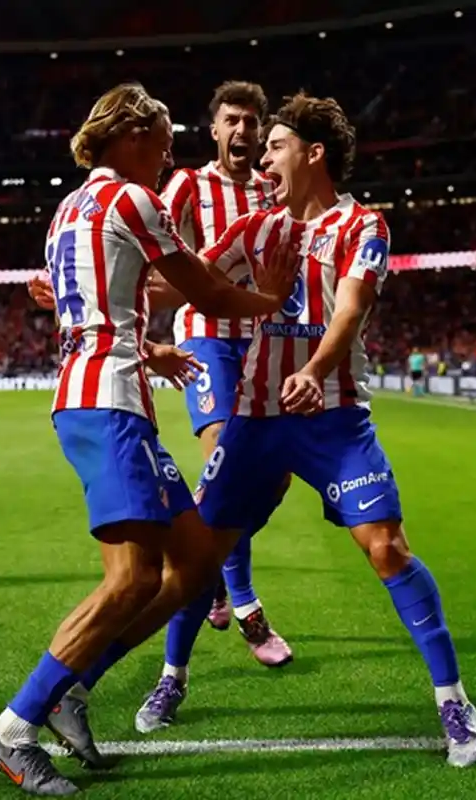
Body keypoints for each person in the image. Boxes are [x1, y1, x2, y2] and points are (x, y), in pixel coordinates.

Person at [0, 83, 298, 797]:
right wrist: (272, 299)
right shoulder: (130, 199)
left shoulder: (67, 211)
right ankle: (12, 728)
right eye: (160, 137)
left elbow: (93, 309)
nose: (168, 153)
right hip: (107, 403)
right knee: (129, 581)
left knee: (189, 565)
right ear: (128, 136)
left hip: (109, 391)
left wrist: (147, 352)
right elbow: (207, 291)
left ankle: (70, 688)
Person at [150, 91, 476, 766]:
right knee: (197, 558)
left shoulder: (365, 225)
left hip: (332, 416)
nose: (262, 156)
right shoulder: (258, 228)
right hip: (257, 418)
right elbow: (192, 282)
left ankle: (453, 698)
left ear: (313, 153)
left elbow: (351, 310)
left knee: (388, 548)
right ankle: (172, 678)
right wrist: (111, 289)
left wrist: (316, 368)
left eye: (274, 145)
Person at [154, 81, 294, 672]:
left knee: (272, 477)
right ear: (214, 130)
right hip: (205, 337)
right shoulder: (187, 184)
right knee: (225, 456)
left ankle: (212, 573)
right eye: (231, 120)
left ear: (261, 131)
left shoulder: (274, 189)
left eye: (251, 122)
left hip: (263, 341)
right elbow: (152, 248)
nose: (241, 130)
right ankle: (246, 606)